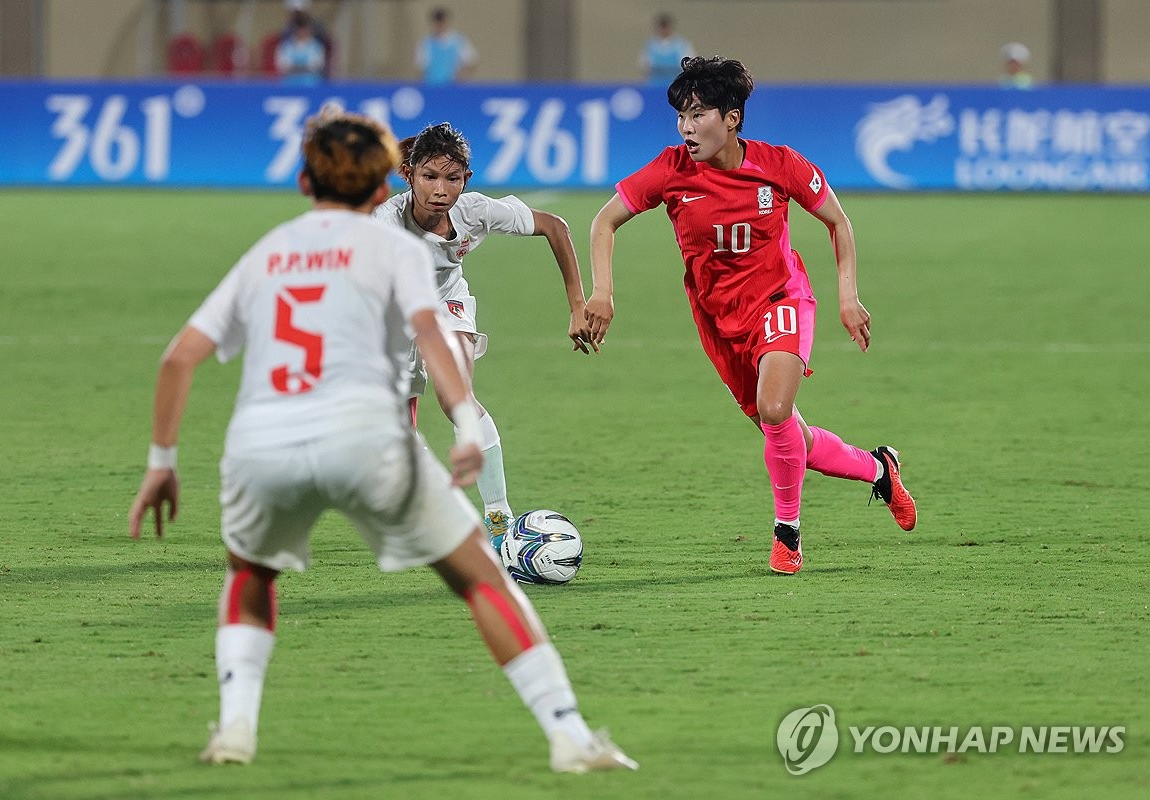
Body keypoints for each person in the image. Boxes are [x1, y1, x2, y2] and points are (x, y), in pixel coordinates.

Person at [127, 106, 635, 773]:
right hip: (362, 433)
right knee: (482, 578)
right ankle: (567, 733)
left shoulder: (268, 251)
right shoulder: (387, 242)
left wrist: (162, 462)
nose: (442, 190)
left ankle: (235, 728)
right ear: (385, 187)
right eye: (429, 177)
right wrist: (463, 420)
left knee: (250, 576)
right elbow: (427, 337)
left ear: (305, 184)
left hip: (264, 439)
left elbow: (176, 358)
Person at [585, 56, 917, 575]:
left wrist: (847, 297)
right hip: (718, 320)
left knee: (775, 407)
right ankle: (880, 469)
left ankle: (788, 535)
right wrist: (602, 293)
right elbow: (604, 221)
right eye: (681, 117)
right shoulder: (671, 170)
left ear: (732, 118)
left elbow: (838, 222)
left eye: (699, 115)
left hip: (780, 300)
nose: (687, 128)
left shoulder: (779, 164)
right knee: (786, 434)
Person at [374, 122, 593, 548]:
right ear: (409, 175)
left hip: (446, 305)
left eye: (451, 178)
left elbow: (555, 226)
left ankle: (498, 517)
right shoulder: (384, 223)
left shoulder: (473, 210)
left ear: (466, 180)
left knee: (456, 396)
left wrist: (578, 304)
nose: (441, 189)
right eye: (429, 177)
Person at [415, 7, 477, 85]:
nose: (440, 25)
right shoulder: (425, 43)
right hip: (432, 86)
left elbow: (471, 62)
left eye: (442, 22)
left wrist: (462, 78)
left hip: (454, 87)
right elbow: (421, 69)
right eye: (437, 22)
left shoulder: (459, 40)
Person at [640, 13, 694, 86]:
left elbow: (689, 67)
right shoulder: (651, 45)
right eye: (661, 26)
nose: (664, 29)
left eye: (665, 26)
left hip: (675, 86)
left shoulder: (681, 45)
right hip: (655, 86)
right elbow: (646, 69)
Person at [274, 13, 325, 85]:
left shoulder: (316, 46)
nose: (302, 31)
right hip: (289, 82)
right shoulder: (286, 45)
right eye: (299, 28)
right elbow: (282, 65)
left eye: (304, 28)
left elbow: (316, 65)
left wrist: (299, 68)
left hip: (310, 82)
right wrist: (297, 68)